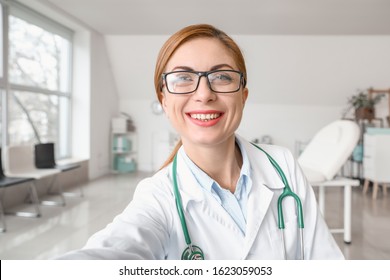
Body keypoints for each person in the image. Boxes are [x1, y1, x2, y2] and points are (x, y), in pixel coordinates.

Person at [57, 24, 344, 260]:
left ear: (242, 96)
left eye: (221, 76)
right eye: (183, 77)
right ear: (164, 100)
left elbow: (327, 262)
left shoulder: (282, 164)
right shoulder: (157, 196)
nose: (204, 93)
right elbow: (112, 251)